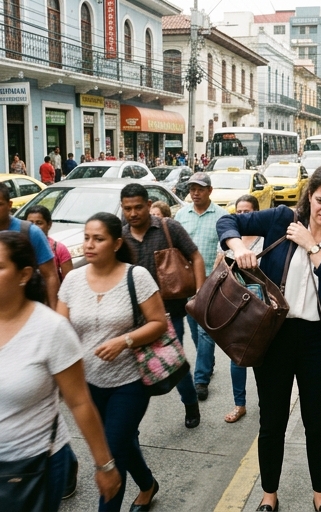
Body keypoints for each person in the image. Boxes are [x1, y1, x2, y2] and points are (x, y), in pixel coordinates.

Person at [217, 163, 321, 512]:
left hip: (318, 338)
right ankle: (269, 496)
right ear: (309, 196)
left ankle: (320, 496)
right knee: (272, 421)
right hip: (275, 335)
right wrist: (238, 247)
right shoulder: (281, 218)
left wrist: (313, 246)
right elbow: (228, 222)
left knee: (317, 422)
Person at [0, 231, 121, 511]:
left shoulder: (50, 329)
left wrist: (105, 465)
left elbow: (79, 401)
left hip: (32, 467)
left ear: (24, 275)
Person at [57, 213, 167, 512]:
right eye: (87, 238)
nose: (89, 245)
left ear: (117, 243)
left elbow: (158, 322)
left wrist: (124, 341)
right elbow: (60, 330)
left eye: (99, 239)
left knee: (111, 455)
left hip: (129, 383)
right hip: (86, 385)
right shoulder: (72, 280)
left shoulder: (137, 276)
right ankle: (147, 484)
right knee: (120, 442)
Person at [121, 183, 205, 429]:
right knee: (134, 368)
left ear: (148, 205)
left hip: (171, 310)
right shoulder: (121, 236)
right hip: (133, 314)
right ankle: (130, 422)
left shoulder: (170, 228)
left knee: (173, 363)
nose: (133, 213)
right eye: (127, 209)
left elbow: (196, 257)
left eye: (138, 207)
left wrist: (199, 294)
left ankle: (190, 403)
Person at [175, 172, 227, 401]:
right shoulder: (181, 215)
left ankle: (201, 379)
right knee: (195, 330)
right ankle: (207, 362)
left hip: (211, 283)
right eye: (192, 189)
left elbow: (225, 248)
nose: (195, 193)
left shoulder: (222, 216)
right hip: (186, 284)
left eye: (200, 189)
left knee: (206, 332)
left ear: (209, 191)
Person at [215, 195, 264, 424]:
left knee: (262, 358)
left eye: (247, 212)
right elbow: (218, 268)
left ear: (255, 212)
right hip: (234, 304)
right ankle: (239, 404)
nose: (243, 216)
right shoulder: (228, 239)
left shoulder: (264, 238)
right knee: (237, 357)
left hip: (258, 304)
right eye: (239, 211)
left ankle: (267, 402)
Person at [0, 182, 59, 309]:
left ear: (9, 205)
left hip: (26, 309)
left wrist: (54, 310)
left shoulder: (30, 232)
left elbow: (50, 275)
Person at [26, 205, 73, 282]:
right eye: (30, 223)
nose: (34, 227)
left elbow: (69, 281)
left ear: (49, 225)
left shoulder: (59, 249)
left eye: (39, 223)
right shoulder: (19, 247)